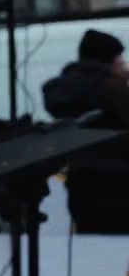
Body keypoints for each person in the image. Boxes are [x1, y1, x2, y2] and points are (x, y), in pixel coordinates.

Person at [42, 28, 129, 233]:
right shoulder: (114, 89)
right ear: (108, 60)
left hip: (81, 182)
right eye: (119, 58)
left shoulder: (62, 90)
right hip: (121, 183)